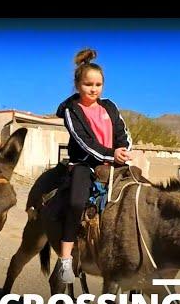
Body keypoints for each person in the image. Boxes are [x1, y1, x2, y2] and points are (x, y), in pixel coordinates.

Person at [54, 48, 133, 284]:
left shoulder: (109, 106)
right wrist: (110, 154)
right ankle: (65, 259)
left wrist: (123, 150)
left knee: (138, 194)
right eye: (89, 84)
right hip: (85, 164)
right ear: (78, 84)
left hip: (114, 162)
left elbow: (122, 132)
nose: (94, 89)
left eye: (98, 84)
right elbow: (83, 142)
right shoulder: (72, 110)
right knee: (77, 202)